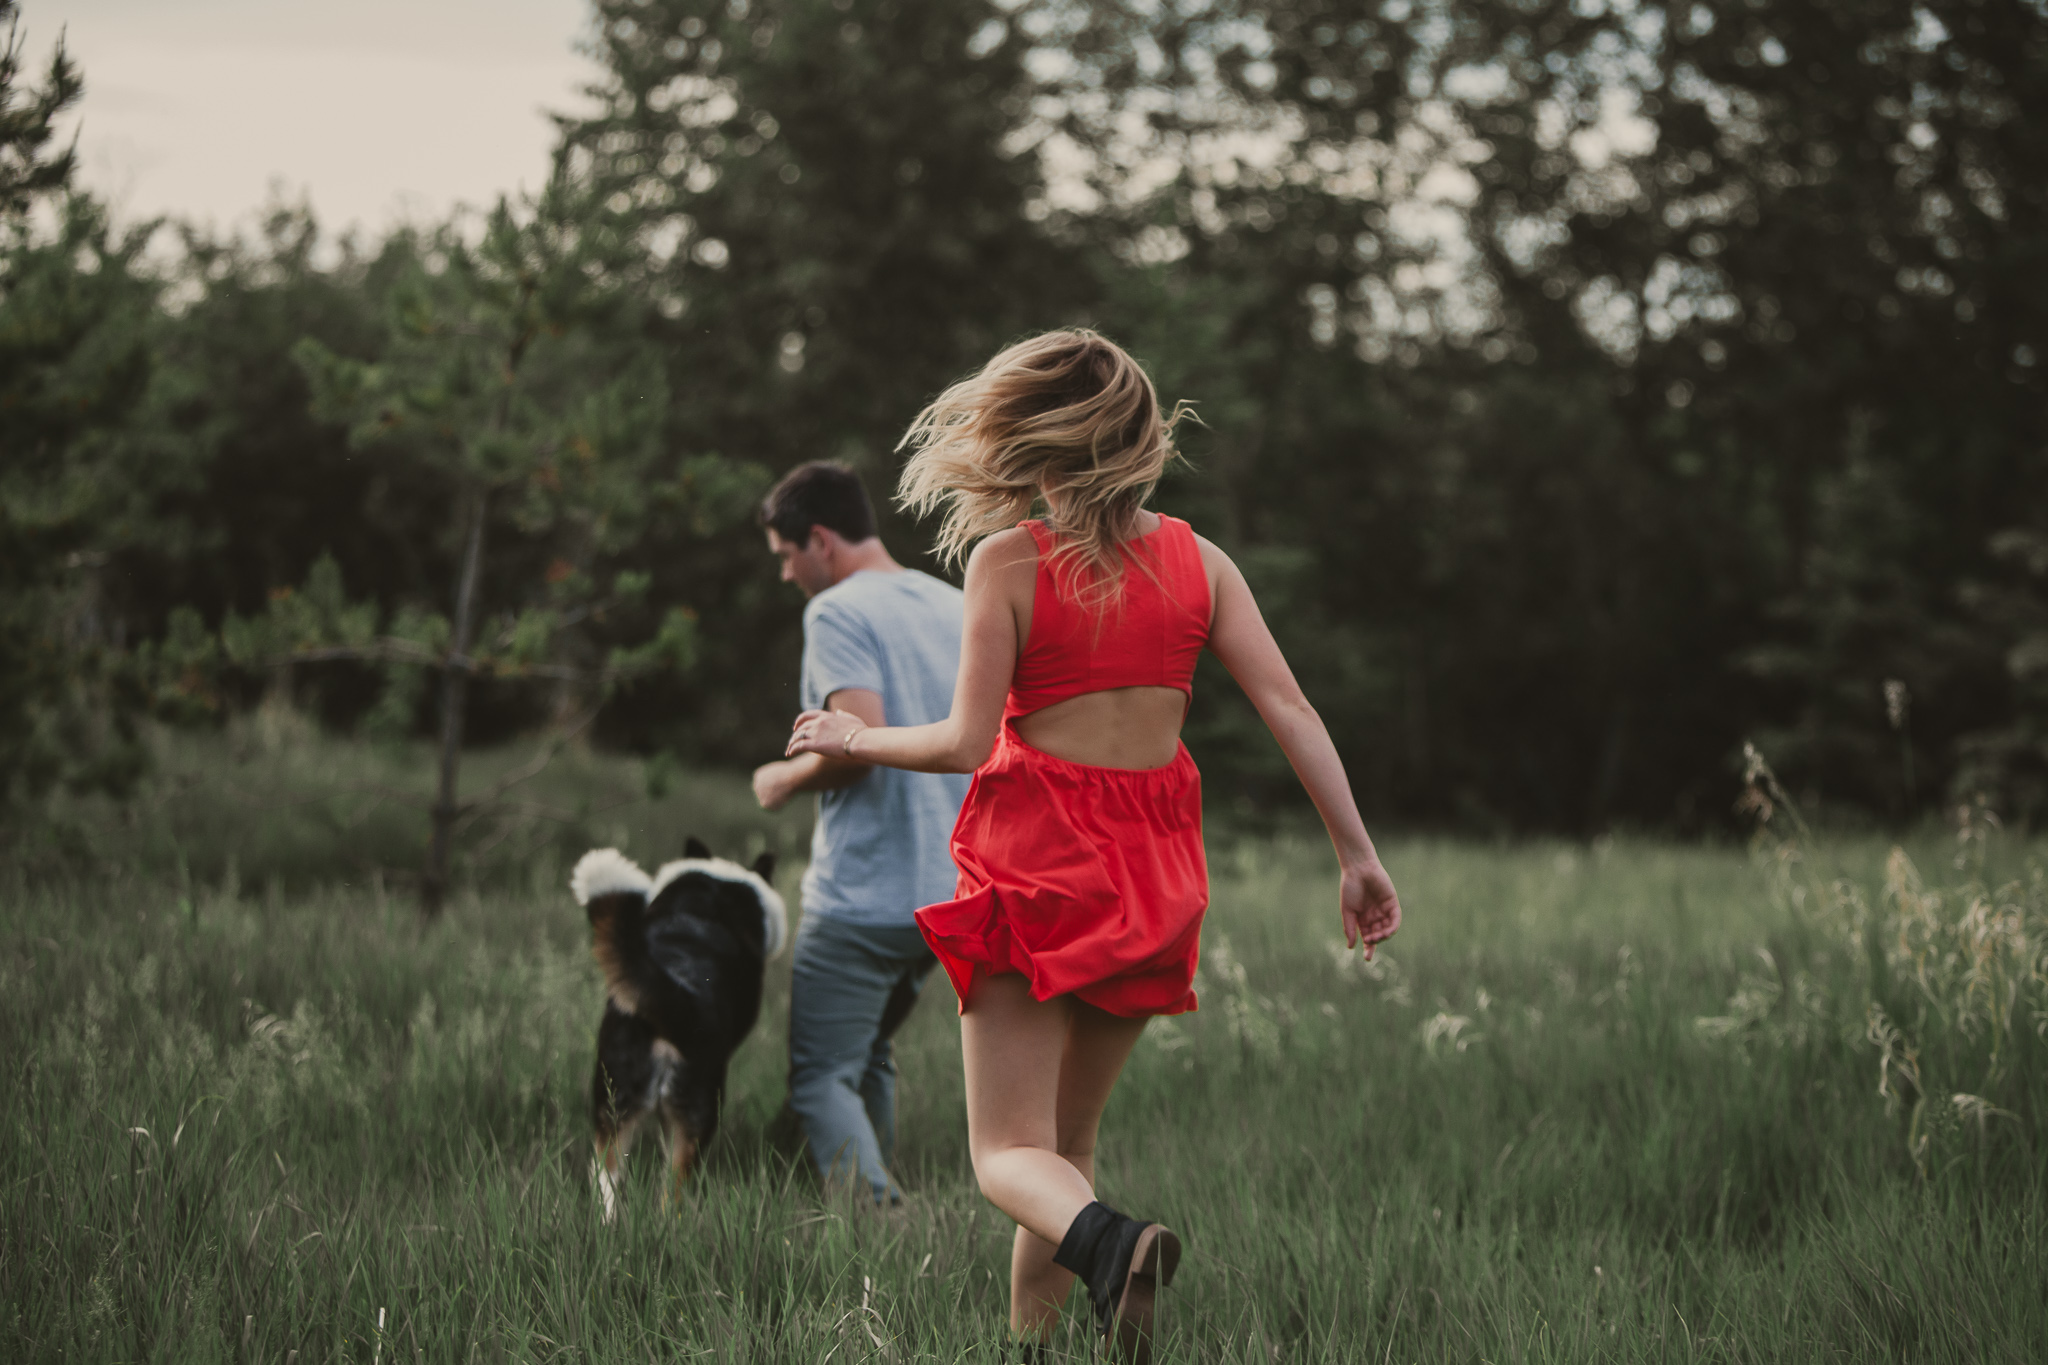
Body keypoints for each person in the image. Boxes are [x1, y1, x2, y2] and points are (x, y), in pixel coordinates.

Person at [783, 330, 1403, 1361]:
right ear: (1139, 438)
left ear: (1030, 441)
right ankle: (1040, 1344)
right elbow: (1290, 708)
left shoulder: (1009, 562)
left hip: (1036, 866)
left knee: (1006, 1155)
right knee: (1064, 1149)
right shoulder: (1200, 562)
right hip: (1155, 875)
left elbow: (963, 742)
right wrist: (1356, 854)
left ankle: (1111, 1247)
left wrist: (856, 736)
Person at [750, 461, 970, 1205]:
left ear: (820, 540)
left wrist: (781, 779)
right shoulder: (955, 603)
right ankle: (855, 1196)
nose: (786, 576)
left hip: (866, 894)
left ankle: (881, 1218)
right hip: (950, 893)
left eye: (786, 556)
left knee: (819, 1075)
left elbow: (857, 751)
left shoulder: (838, 610)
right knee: (869, 1051)